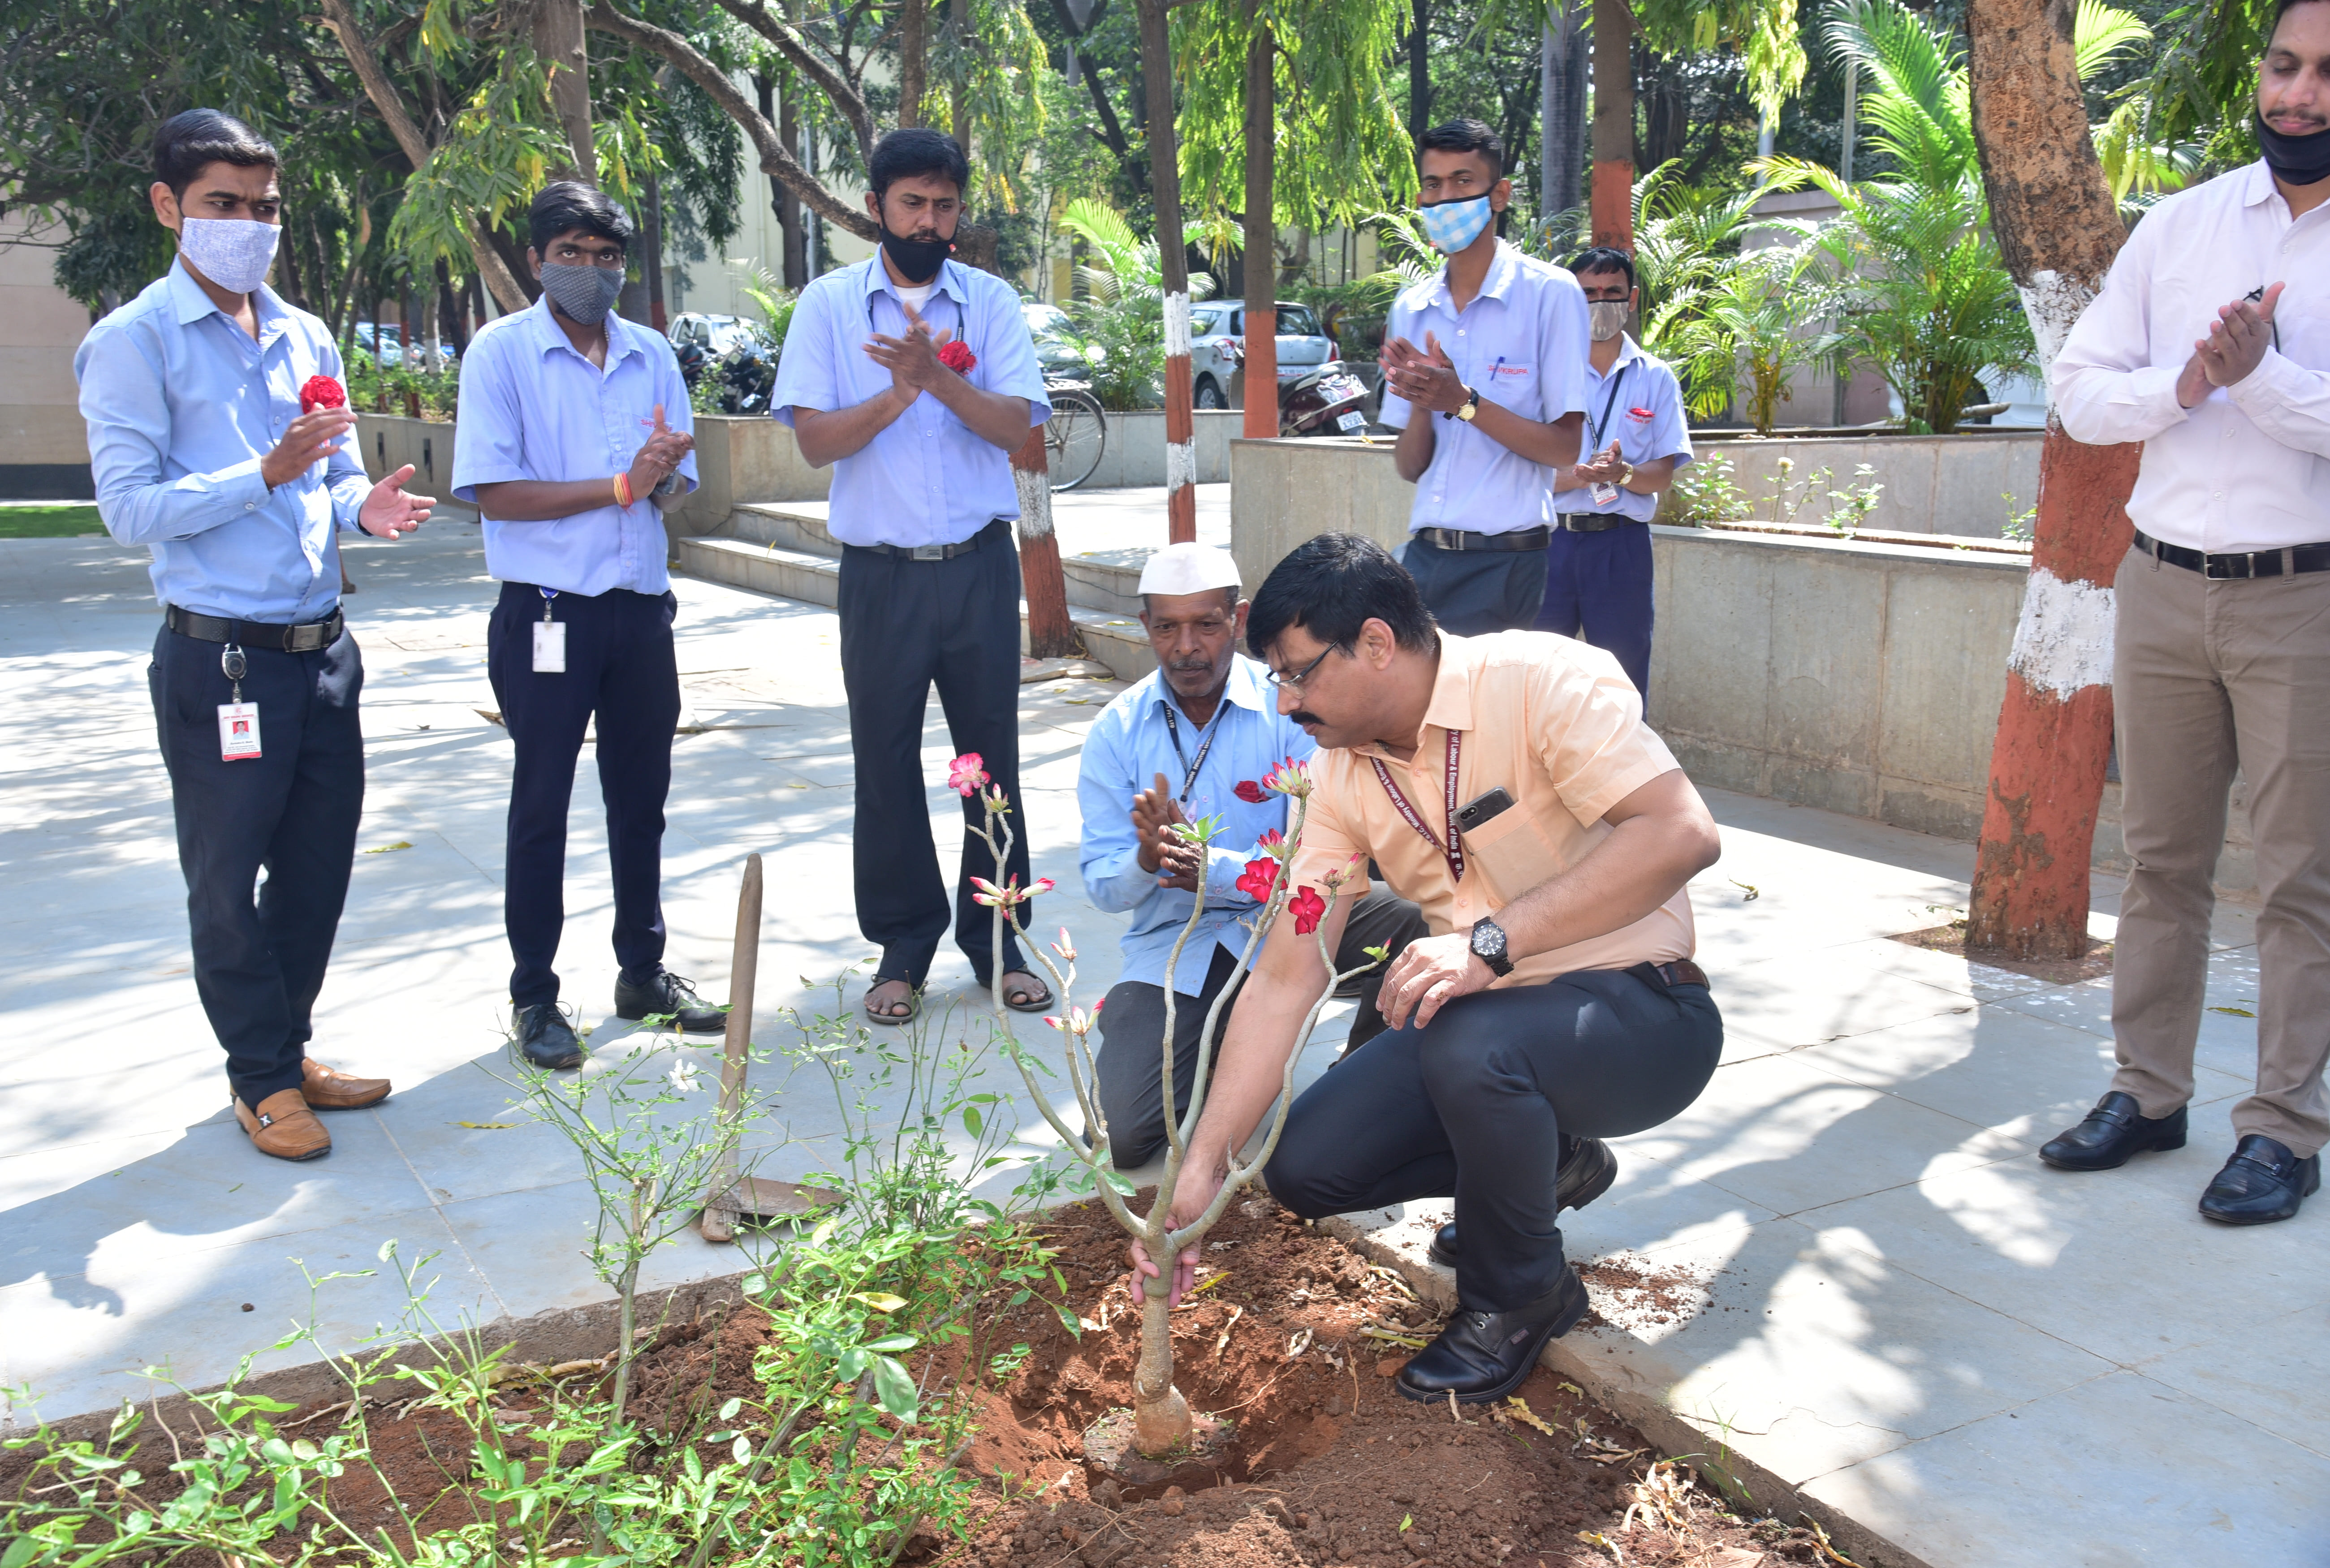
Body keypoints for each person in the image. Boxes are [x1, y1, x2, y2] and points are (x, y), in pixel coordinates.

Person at [1129, 534, 1723, 1404]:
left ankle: (1518, 1295)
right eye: (1278, 679)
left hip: (1641, 1016)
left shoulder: (1540, 682)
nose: (1285, 702)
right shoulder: (1338, 776)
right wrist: (1203, 1169)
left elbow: (1681, 833)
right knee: (1305, 1166)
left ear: (1375, 642)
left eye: (1298, 674)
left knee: (1469, 1042)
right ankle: (1549, 1164)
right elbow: (1287, 974)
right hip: (1488, 1032)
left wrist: (1489, 943)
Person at [75, 109, 433, 1161]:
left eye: (265, 208)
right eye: (222, 204)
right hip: (220, 660)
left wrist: (363, 505)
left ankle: (286, 1048)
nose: (249, 226)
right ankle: (261, 1079)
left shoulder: (303, 332)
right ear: (168, 207)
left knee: (316, 874)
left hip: (322, 652)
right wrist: (262, 474)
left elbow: (333, 473)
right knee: (228, 883)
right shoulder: (134, 342)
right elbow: (129, 510)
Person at [2040, 0, 2330, 1225]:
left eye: (2325, 74)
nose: (2298, 94)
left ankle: (2282, 1129)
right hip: (2159, 583)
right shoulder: (2183, 224)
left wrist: (2259, 378)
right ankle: (2148, 1093)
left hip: (2302, 595)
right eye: (2284, 64)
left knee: (2302, 876)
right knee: (2160, 861)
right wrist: (2189, 381)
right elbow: (2078, 392)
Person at [771, 128, 1055, 1028]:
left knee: (990, 762)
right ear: (876, 207)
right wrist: (898, 393)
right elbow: (814, 440)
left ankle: (1000, 941)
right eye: (912, 204)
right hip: (880, 577)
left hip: (977, 568)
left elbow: (1015, 426)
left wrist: (935, 378)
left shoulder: (990, 302)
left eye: (944, 205)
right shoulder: (828, 307)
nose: (929, 222)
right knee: (885, 761)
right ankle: (902, 946)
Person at [452, 182, 717, 1071]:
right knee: (542, 806)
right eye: (571, 253)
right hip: (547, 613)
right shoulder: (501, 354)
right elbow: (495, 494)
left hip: (639, 612)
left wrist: (662, 473)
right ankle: (535, 994)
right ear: (536, 261)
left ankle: (642, 972)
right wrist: (620, 484)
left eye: (607, 257)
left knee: (641, 802)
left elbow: (671, 488)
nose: (590, 271)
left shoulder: (649, 354)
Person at [1076, 543, 1428, 1168]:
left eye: (1206, 625)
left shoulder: (1292, 706)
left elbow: (1329, 861)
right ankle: (1210, 1040)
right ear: (1145, 626)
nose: (1186, 647)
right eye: (1167, 628)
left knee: (1414, 921)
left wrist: (1215, 869)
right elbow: (1104, 888)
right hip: (1177, 946)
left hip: (1298, 917)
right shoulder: (1116, 729)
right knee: (1120, 1137)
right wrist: (1147, 860)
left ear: (1237, 620)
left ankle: (1365, 1082)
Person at [1377, 119, 1590, 636]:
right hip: (1425, 556)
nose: (1445, 198)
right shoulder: (1412, 307)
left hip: (1506, 565)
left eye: (1463, 181)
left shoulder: (1550, 294)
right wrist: (1424, 401)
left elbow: (1565, 449)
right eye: (1433, 184)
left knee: (1468, 692)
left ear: (1499, 195)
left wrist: (1462, 401)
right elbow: (1409, 466)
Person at [1532, 248, 1693, 698]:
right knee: (1538, 679)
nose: (1600, 302)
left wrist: (1621, 474)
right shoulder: (1543, 375)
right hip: (1549, 542)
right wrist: (1576, 477)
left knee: (1622, 681)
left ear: (1632, 298)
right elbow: (1520, 468)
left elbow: (1662, 475)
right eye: (1588, 293)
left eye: (1612, 292)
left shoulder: (1655, 377)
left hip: (1620, 546)